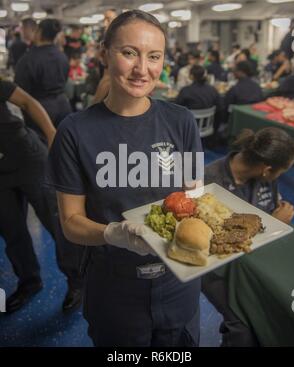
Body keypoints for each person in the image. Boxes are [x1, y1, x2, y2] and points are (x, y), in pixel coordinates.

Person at [46, 10, 203, 347]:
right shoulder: (75, 131)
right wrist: (111, 233)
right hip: (115, 286)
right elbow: (71, 222)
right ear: (105, 53)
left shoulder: (181, 121)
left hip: (179, 277)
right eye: (129, 52)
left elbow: (194, 193)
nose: (142, 69)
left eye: (154, 56)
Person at [202, 127, 294, 347]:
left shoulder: (264, 177)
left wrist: (276, 214)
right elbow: (216, 243)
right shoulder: (209, 181)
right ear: (267, 169)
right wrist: (274, 223)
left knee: (281, 300)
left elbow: (271, 205)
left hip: (257, 258)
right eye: (280, 173)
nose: (278, 178)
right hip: (218, 265)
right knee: (244, 324)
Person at [0, 80, 84, 313]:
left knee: (56, 223)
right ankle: (29, 282)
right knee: (11, 229)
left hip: (28, 159)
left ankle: (78, 282)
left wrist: (51, 134)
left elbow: (28, 101)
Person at [15, 19, 72, 132]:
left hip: (39, 109)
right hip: (63, 106)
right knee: (63, 144)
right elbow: (65, 79)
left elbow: (20, 89)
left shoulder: (28, 59)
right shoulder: (62, 56)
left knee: (42, 146)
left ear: (39, 32)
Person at [93, 9, 118, 104]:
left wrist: (93, 105)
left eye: (109, 19)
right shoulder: (105, 35)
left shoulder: (116, 37)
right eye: (105, 19)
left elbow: (107, 78)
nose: (105, 22)